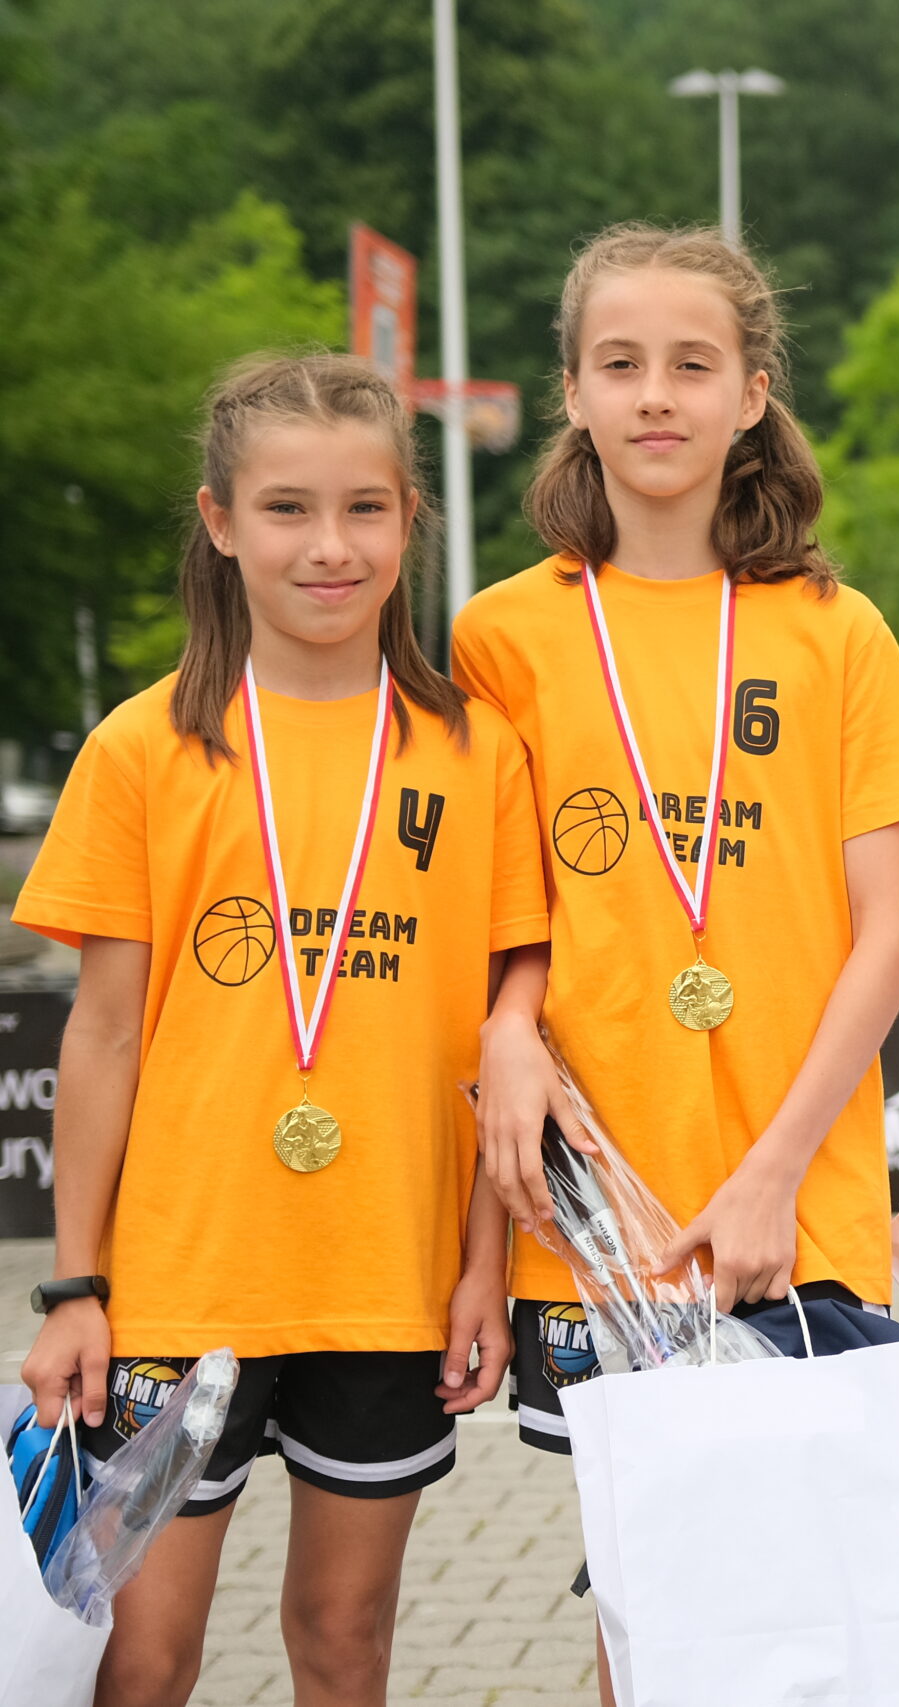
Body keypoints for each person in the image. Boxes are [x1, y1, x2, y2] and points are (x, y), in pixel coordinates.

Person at [13, 353, 543, 1707]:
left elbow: (496, 1043)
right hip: (179, 1282)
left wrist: (482, 1267)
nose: (329, 546)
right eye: (287, 509)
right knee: (142, 1658)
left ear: (409, 518)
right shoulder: (143, 749)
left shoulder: (476, 751)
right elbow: (104, 1038)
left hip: (388, 1277)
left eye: (364, 508)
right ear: (220, 521)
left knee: (344, 1640)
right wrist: (75, 1288)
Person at [453, 227, 899, 1619]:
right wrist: (509, 1028)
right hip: (599, 1216)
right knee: (648, 1613)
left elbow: (890, 934)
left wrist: (772, 1176)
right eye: (620, 365)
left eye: (691, 364)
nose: (656, 395)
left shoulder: (836, 630)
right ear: (572, 391)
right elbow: (503, 925)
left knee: (805, 1614)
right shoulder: (501, 636)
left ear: (751, 393)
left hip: (793, 1205)